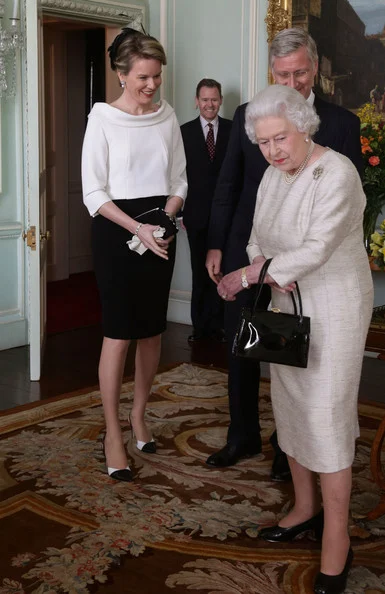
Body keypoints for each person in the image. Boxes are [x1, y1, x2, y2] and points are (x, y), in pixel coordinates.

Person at [217, 83, 373, 594]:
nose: (272, 151)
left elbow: (319, 246)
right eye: (262, 142)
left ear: (303, 125)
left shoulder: (338, 172)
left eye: (280, 138)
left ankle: (336, 539)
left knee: (326, 416)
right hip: (286, 303)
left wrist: (249, 276)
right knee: (291, 407)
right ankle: (305, 508)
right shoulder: (271, 175)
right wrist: (265, 267)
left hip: (334, 307)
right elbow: (257, 236)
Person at [205, 28, 362, 478]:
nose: (290, 83)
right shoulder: (248, 115)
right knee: (245, 345)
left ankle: (288, 449)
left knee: (294, 357)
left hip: (309, 266)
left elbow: (342, 209)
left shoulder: (341, 124)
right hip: (249, 249)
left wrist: (288, 267)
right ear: (270, 72)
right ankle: (243, 435)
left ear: (314, 69)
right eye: (281, 74)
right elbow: (230, 186)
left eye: (299, 73)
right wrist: (220, 245)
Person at [81, 28, 187, 482]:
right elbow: (93, 191)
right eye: (143, 77)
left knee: (151, 331)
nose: (151, 85)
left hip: (160, 229)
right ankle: (112, 432)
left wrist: (164, 218)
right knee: (120, 333)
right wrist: (137, 228)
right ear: (121, 74)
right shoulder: (102, 118)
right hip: (116, 231)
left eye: (156, 77)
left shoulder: (167, 116)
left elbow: (181, 180)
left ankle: (139, 414)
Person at [181, 79, 232, 343]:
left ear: (220, 100)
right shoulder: (184, 132)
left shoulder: (234, 131)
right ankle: (200, 328)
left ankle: (222, 325)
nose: (209, 104)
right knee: (200, 272)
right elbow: (176, 177)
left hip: (228, 218)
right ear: (196, 101)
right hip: (196, 217)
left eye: (214, 99)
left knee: (225, 270)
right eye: (204, 99)